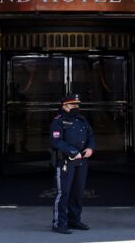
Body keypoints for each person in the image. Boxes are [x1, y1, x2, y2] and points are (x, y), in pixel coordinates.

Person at [48, 93, 95, 234]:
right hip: (65, 161)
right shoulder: (58, 121)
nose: (76, 107)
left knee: (77, 192)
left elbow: (91, 135)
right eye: (73, 104)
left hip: (81, 161)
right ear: (64, 106)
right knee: (63, 193)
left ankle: (74, 220)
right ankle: (59, 223)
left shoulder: (82, 119)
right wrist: (73, 152)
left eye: (77, 104)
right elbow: (56, 141)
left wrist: (90, 148)